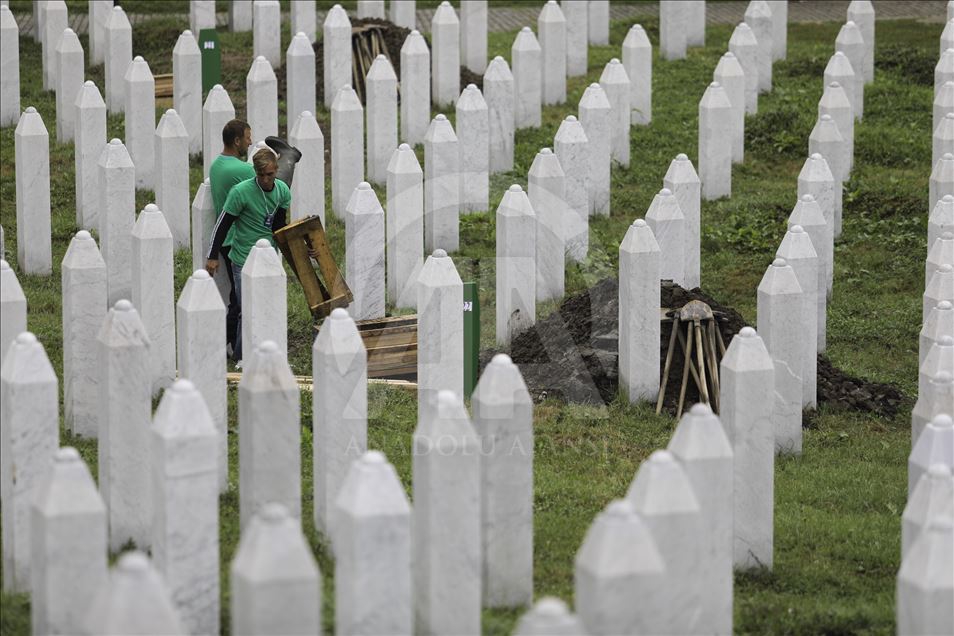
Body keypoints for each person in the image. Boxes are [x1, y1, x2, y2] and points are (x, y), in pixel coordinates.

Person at [206, 148, 291, 365]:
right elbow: (222, 225)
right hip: (243, 259)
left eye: (270, 174)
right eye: (261, 174)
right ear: (254, 171)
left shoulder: (282, 191)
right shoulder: (240, 192)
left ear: (276, 171)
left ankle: (268, 352)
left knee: (268, 307)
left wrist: (300, 248)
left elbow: (280, 228)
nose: (265, 179)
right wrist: (213, 255)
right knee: (247, 308)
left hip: (269, 259)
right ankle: (242, 356)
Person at [208, 119, 254, 359]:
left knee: (236, 296)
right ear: (237, 141)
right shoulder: (243, 170)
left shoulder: (216, 165)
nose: (250, 141)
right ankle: (233, 348)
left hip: (225, 241)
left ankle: (226, 345)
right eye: (247, 137)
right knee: (240, 300)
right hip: (239, 239)